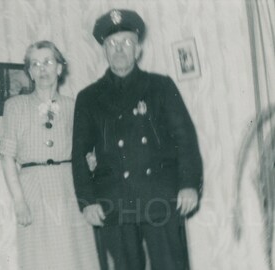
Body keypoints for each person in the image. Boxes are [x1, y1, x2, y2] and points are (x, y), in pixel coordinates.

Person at [72, 9, 203, 270]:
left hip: (160, 196)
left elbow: (185, 139)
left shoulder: (161, 87)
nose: (119, 49)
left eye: (127, 42)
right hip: (114, 200)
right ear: (104, 51)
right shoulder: (88, 98)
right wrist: (87, 201)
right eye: (112, 44)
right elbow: (79, 154)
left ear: (138, 49)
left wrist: (189, 184)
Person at [0, 40, 100, 270]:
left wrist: (89, 162)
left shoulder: (74, 105)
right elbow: (6, 157)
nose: (42, 69)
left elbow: (87, 149)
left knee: (76, 255)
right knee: (41, 258)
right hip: (34, 188)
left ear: (59, 68)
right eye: (35, 64)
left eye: (48, 62)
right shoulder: (15, 106)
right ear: (30, 72)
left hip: (69, 186)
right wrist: (19, 201)